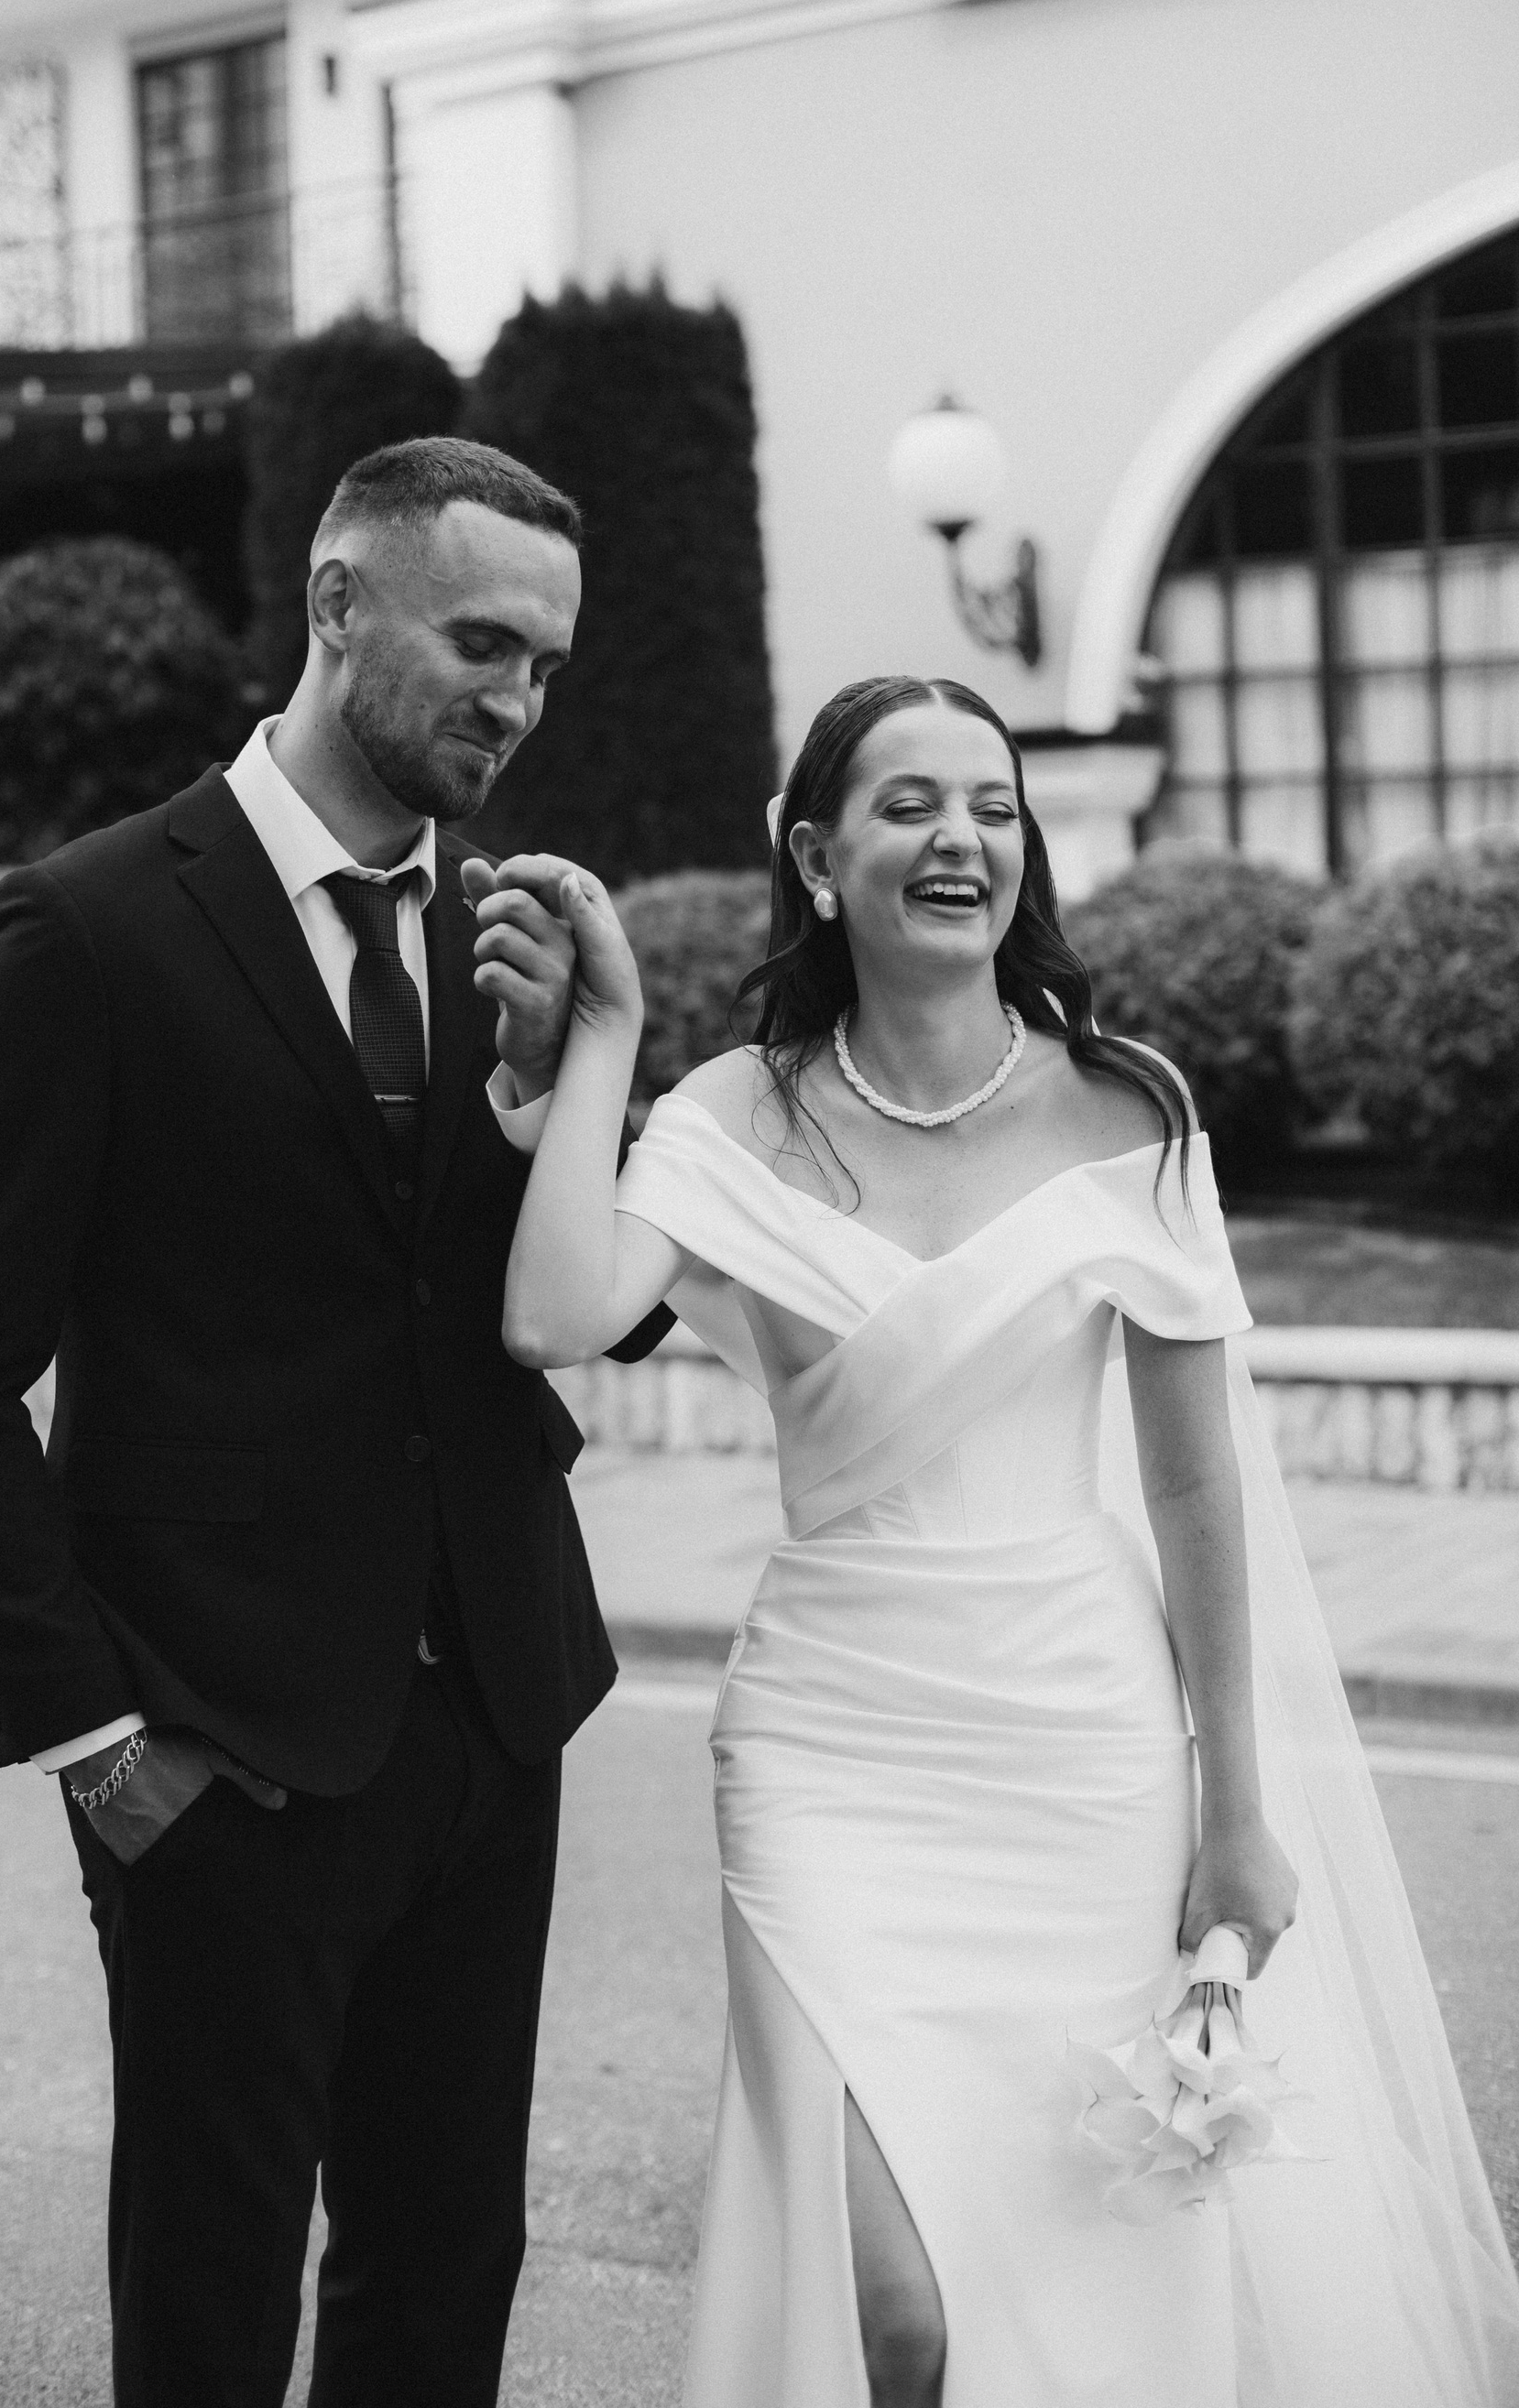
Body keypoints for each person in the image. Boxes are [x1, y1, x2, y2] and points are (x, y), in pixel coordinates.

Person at [498, 672, 1519, 2408]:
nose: (960, 837)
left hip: (1080, 1749)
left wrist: (1237, 1813)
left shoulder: (1133, 1113)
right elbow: (551, 1316)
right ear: (815, 858)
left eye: (992, 803)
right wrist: (603, 1044)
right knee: (891, 2308)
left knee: (1077, 2273)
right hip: (828, 1747)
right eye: (908, 805)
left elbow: (1194, 1489)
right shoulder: (734, 1114)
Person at [0, 436, 671, 2408]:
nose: (518, 699)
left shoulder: (509, 939)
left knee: (445, 2275)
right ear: (337, 603)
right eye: (481, 643)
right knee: (213, 2302)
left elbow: (598, 1317)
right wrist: (97, 1743)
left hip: (491, 1722)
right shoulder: (87, 929)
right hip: (216, 1747)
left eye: (547, 666)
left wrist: (555, 1087)